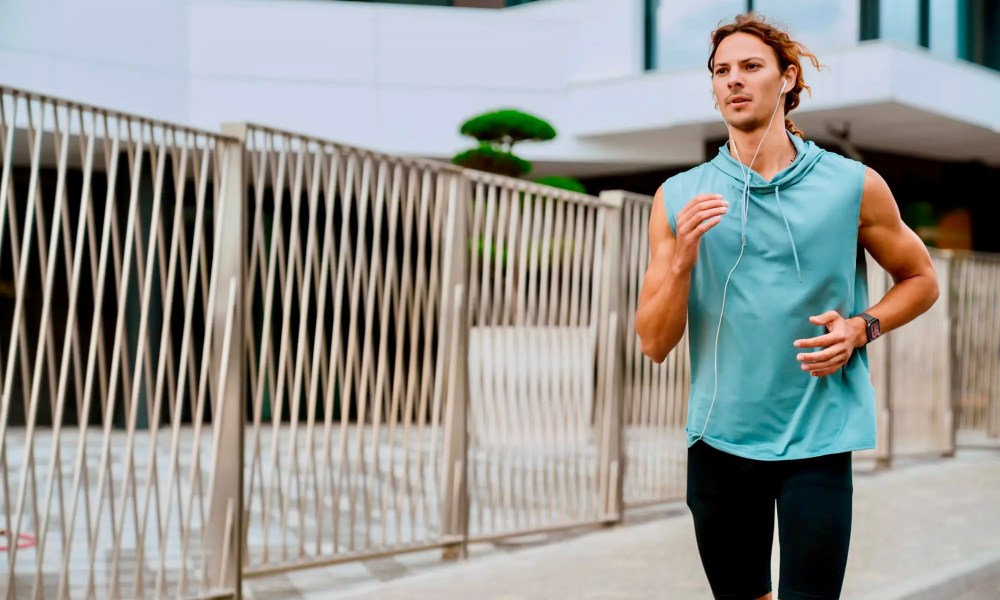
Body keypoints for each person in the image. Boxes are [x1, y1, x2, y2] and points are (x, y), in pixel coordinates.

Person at [633, 12, 940, 600]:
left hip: (817, 440)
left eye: (751, 67)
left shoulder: (853, 184)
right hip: (720, 442)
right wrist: (681, 263)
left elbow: (921, 279)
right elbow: (653, 342)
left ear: (787, 77)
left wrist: (861, 327)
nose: (734, 81)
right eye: (722, 71)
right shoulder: (679, 197)